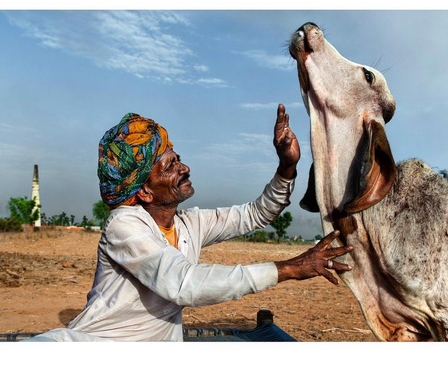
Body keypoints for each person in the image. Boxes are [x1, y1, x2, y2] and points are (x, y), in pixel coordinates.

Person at [27, 104, 353, 342]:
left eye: (178, 159)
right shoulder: (123, 226)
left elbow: (256, 214)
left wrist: (286, 167)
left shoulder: (188, 225)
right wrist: (290, 268)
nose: (184, 168)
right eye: (170, 165)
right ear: (143, 191)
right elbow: (184, 284)